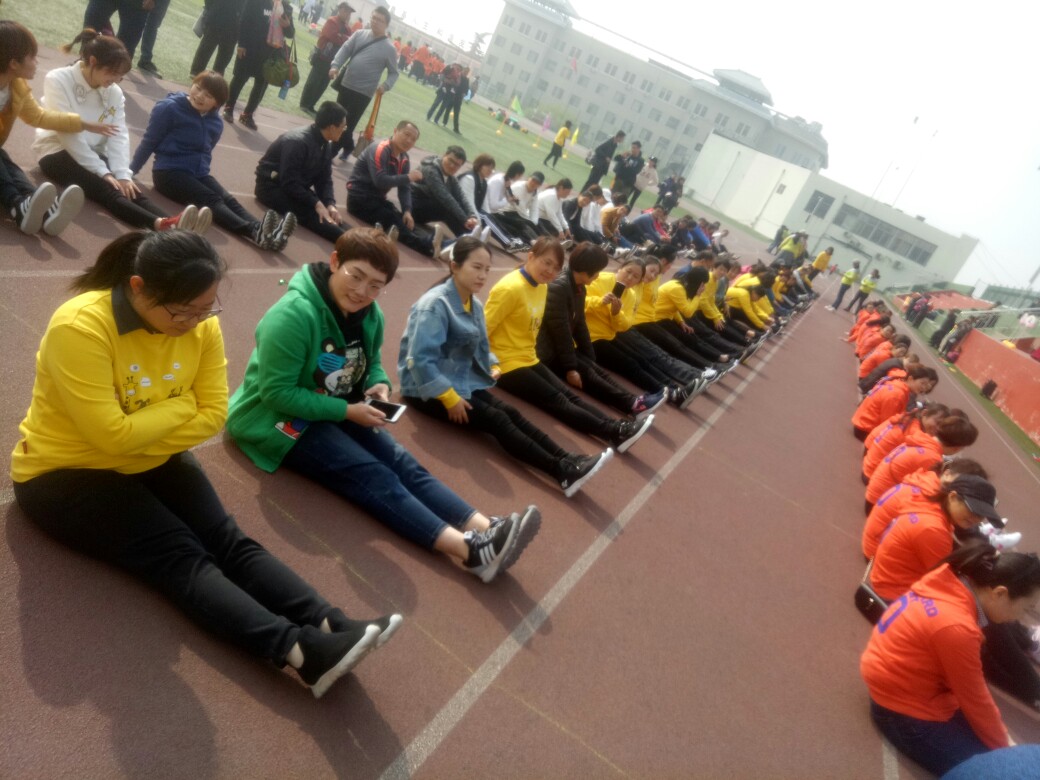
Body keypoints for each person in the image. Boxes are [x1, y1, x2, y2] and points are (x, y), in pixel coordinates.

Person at [12, 230, 401, 699]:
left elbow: (214, 415)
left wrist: (141, 427)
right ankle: (301, 653)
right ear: (138, 287)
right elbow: (109, 435)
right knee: (180, 554)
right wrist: (180, 408)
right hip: (65, 473)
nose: (195, 322)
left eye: (205, 309)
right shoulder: (81, 327)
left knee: (228, 540)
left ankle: (330, 623)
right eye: (182, 312)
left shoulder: (201, 326)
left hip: (151, 454)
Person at [227, 227, 539, 582]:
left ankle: (484, 526)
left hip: (334, 403)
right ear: (335, 262)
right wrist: (347, 411)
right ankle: (472, 553)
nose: (362, 291)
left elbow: (371, 360)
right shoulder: (293, 316)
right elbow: (276, 393)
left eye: (375, 285)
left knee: (402, 461)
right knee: (372, 472)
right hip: (275, 418)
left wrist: (378, 383)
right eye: (356, 276)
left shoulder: (369, 314)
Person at [399, 237, 614, 497]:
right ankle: (560, 471)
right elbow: (419, 361)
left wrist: (490, 363)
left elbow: (480, 342)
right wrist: (449, 398)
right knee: (497, 419)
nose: (483, 275)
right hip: (425, 388)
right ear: (455, 266)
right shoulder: (435, 305)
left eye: (486, 269)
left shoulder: (472, 303)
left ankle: (568, 459)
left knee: (509, 411)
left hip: (456, 375)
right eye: (476, 267)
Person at [860, 545, 1040, 775]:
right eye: (1025, 608)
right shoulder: (957, 628)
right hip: (901, 711)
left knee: (999, 749)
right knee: (1002, 771)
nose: (1020, 617)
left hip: (899, 687)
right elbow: (975, 699)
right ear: (999, 593)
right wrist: (1009, 750)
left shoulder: (949, 580)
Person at [486, 237, 653, 453]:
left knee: (568, 395)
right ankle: (613, 431)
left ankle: (618, 427)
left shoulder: (541, 287)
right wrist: (490, 364)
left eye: (556, 267)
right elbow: (483, 329)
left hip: (527, 356)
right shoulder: (510, 288)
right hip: (506, 364)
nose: (550, 271)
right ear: (531, 256)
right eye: (546, 263)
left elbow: (572, 324)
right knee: (558, 400)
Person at [34, 29, 208, 234]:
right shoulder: (58, 79)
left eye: (120, 76)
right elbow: (69, 135)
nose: (116, 80)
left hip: (94, 154)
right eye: (112, 73)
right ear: (93, 61)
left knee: (129, 187)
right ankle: (163, 226)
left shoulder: (114, 91)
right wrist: (104, 171)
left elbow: (118, 135)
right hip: (56, 151)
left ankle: (177, 225)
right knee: (108, 189)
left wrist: (123, 173)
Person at [131, 71, 296, 251]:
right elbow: (149, 142)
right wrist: (130, 172)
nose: (200, 96)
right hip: (169, 173)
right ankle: (253, 232)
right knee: (211, 199)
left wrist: (201, 172)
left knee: (228, 199)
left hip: (199, 174)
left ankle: (265, 230)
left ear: (216, 103)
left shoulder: (215, 122)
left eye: (208, 95)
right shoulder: (169, 108)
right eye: (198, 88)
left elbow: (206, 151)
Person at [0, 20, 107, 236]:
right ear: (13, 63)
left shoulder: (15, 87)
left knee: (6, 162)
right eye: (32, 57)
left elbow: (39, 116)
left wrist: (82, 124)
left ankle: (40, 208)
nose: (37, 62)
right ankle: (17, 205)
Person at [537, 243, 665, 419]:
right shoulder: (560, 287)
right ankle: (631, 405)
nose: (598, 275)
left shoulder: (579, 287)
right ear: (586, 270)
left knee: (593, 368)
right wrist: (571, 367)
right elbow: (561, 331)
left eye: (636, 276)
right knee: (586, 374)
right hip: (546, 349)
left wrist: (589, 356)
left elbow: (579, 323)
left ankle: (634, 402)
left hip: (562, 343)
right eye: (596, 271)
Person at [255, 101, 346, 243]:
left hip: (293, 187)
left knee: (333, 217)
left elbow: (324, 179)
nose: (344, 130)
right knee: (315, 216)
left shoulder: (325, 144)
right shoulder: (298, 142)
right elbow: (289, 182)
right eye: (343, 127)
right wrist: (316, 203)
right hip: (271, 187)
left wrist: (330, 204)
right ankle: (352, 244)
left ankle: (356, 240)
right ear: (332, 127)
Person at [345, 120, 436, 256]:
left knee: (403, 219)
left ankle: (435, 243)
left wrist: (407, 210)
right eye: (406, 134)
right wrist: (408, 177)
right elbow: (380, 181)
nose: (409, 141)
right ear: (395, 131)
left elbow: (404, 188)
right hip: (359, 199)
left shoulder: (404, 157)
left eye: (413, 139)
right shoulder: (380, 149)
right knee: (392, 219)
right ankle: (427, 247)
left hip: (377, 200)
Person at [326, 5, 398, 159]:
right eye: (374, 18)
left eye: (380, 20)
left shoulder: (390, 49)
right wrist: (335, 66)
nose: (375, 21)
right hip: (346, 84)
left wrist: (385, 86)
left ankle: (331, 152)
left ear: (386, 24)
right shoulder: (359, 34)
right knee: (338, 119)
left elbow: (394, 73)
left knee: (348, 123)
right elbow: (345, 49)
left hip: (364, 93)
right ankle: (349, 146)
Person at [222, 0, 295, 131]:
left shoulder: (286, 8)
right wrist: (241, 44)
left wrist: (288, 25)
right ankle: (229, 107)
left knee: (261, 86)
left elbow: (290, 34)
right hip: (250, 47)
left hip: (270, 55)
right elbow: (244, 20)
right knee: (240, 78)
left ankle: (247, 115)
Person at [410, 145, 479, 247]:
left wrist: (472, 216)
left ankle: (472, 238)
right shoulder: (430, 169)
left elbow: (461, 196)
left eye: (457, 165)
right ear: (444, 155)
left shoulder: (450, 177)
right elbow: (445, 197)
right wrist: (465, 220)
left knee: (455, 204)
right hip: (412, 208)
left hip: (426, 208)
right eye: (450, 160)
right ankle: (470, 240)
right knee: (447, 206)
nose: (452, 166)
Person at [851, 364, 939, 441]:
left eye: (926, 385)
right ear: (911, 379)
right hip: (864, 429)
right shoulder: (897, 394)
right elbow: (887, 423)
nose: (924, 388)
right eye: (922, 383)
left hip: (863, 424)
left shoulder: (899, 385)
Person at [299, 1, 353, 114]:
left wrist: (341, 37)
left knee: (322, 85)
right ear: (340, 10)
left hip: (334, 62)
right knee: (313, 82)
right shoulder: (332, 21)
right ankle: (304, 104)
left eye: (349, 12)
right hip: (322, 58)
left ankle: (311, 105)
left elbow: (349, 41)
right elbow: (332, 37)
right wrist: (344, 38)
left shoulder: (347, 28)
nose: (347, 14)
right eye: (346, 11)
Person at [485, 167, 545, 249]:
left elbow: (534, 209)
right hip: (505, 212)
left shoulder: (535, 192)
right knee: (522, 224)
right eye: (533, 180)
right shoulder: (519, 187)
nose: (533, 183)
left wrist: (533, 223)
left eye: (537, 183)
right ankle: (534, 242)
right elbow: (520, 208)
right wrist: (530, 222)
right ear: (529, 178)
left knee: (534, 224)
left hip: (517, 213)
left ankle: (541, 242)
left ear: (539, 185)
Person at [190, 0, 248, 77]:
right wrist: (210, 9)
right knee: (207, 48)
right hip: (219, 18)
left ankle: (215, 76)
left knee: (224, 54)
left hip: (232, 23)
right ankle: (197, 72)